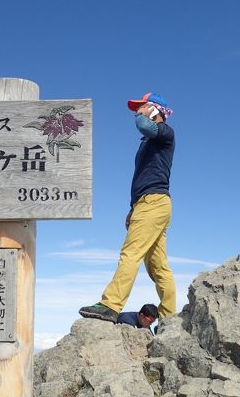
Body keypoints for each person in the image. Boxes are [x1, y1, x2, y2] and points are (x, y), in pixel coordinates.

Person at [80, 92, 176, 323]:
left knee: (130, 254)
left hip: (153, 202)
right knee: (158, 265)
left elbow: (144, 125)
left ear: (155, 109)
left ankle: (110, 304)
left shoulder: (165, 133)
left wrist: (146, 115)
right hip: (150, 203)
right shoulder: (149, 141)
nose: (136, 111)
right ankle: (169, 316)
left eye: (141, 107)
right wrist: (133, 209)